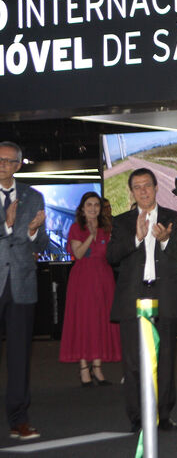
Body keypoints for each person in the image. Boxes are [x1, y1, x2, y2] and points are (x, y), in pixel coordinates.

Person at [106, 168, 177, 433]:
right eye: (137, 187)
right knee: (133, 363)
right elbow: (111, 256)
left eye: (147, 186)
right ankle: (138, 417)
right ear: (131, 192)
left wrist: (165, 241)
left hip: (165, 296)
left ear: (156, 188)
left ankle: (163, 414)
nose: (143, 191)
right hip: (133, 297)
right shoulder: (122, 222)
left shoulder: (172, 217)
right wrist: (136, 238)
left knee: (165, 359)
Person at [0, 141, 47, 441]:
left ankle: (19, 419)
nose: (2, 165)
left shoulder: (33, 196)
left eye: (7, 161)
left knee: (19, 357)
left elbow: (42, 243)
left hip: (22, 284)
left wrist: (32, 231)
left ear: (18, 165)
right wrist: (7, 225)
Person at [59, 191, 121, 387]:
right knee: (84, 322)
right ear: (82, 209)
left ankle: (98, 368)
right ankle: (84, 369)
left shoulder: (107, 229)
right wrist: (91, 236)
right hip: (83, 280)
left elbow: (111, 254)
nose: (93, 208)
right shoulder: (77, 228)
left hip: (104, 279)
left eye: (96, 205)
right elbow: (78, 254)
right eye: (89, 205)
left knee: (101, 321)